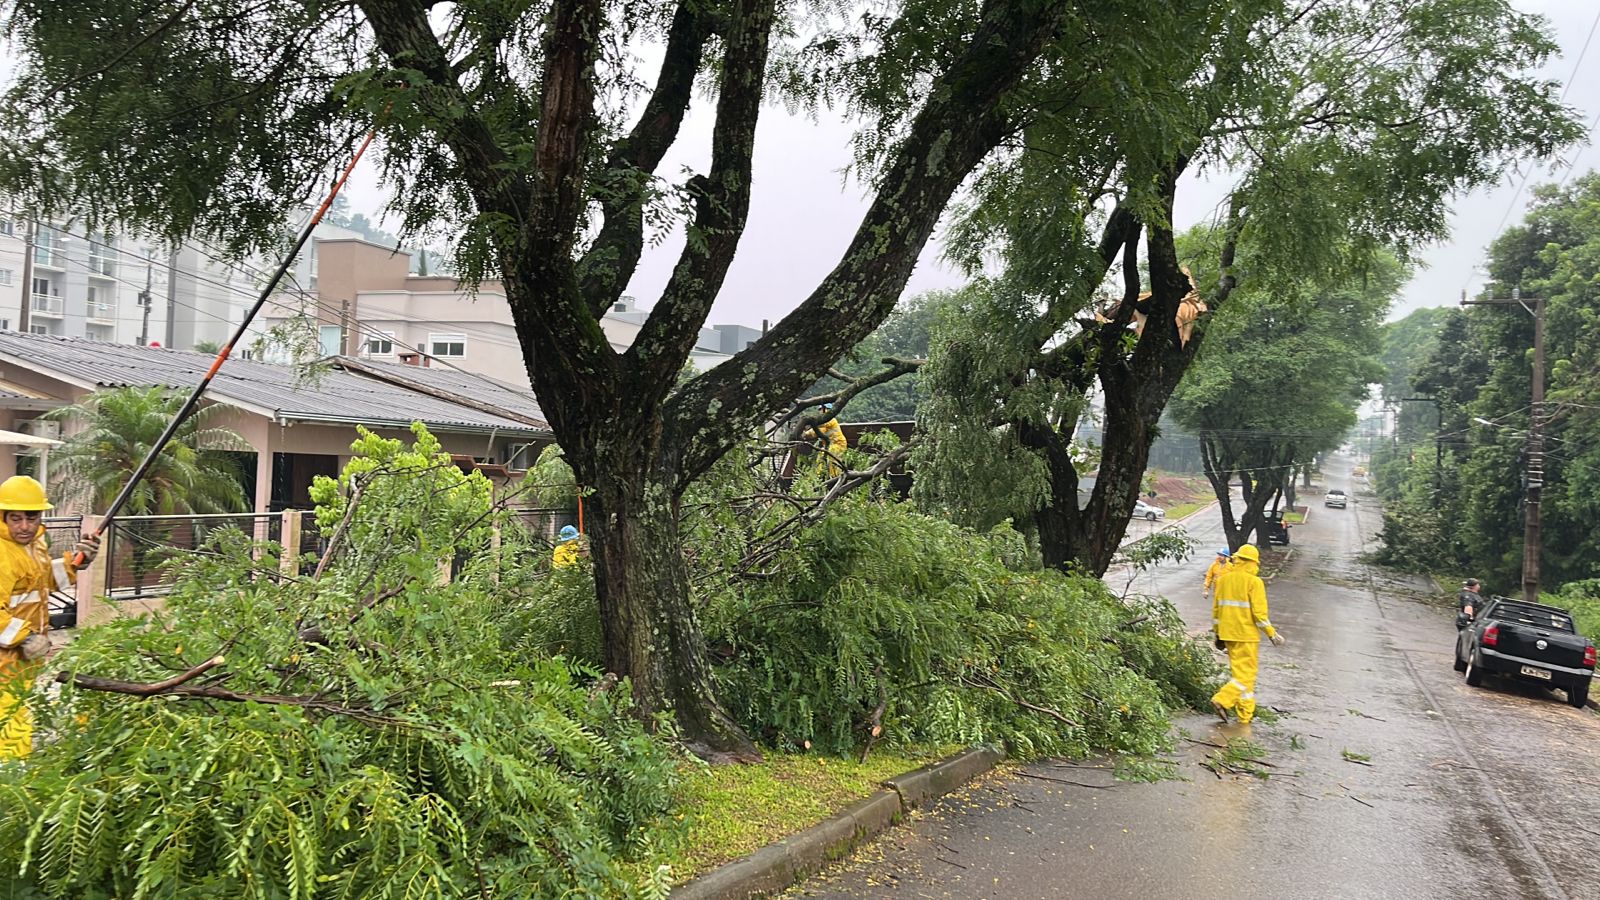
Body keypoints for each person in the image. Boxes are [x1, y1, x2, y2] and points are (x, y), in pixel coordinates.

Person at [0, 475, 99, 758]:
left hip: (20, 659)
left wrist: (76, 562)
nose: (24, 526)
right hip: (6, 661)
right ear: (3, 516)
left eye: (31, 518)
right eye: (16, 519)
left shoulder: (33, 546)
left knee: (16, 716)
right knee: (11, 723)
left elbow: (40, 580)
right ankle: (12, 786)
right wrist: (26, 637)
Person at [1209, 543, 1285, 725]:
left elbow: (1216, 610)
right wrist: (1272, 634)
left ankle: (1245, 716)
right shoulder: (1254, 582)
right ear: (1253, 563)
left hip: (1228, 635)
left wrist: (1218, 634)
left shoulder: (1223, 580)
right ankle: (1222, 699)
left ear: (1237, 559)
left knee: (1240, 676)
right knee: (1247, 676)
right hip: (1246, 635)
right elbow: (1259, 614)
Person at [806, 405, 848, 478]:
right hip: (829, 445)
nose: (820, 412)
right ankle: (819, 476)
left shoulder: (831, 420)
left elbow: (822, 424)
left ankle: (835, 476)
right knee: (821, 457)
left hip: (838, 444)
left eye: (822, 410)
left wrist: (809, 422)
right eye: (820, 410)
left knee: (832, 460)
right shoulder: (823, 426)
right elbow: (815, 432)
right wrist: (805, 434)